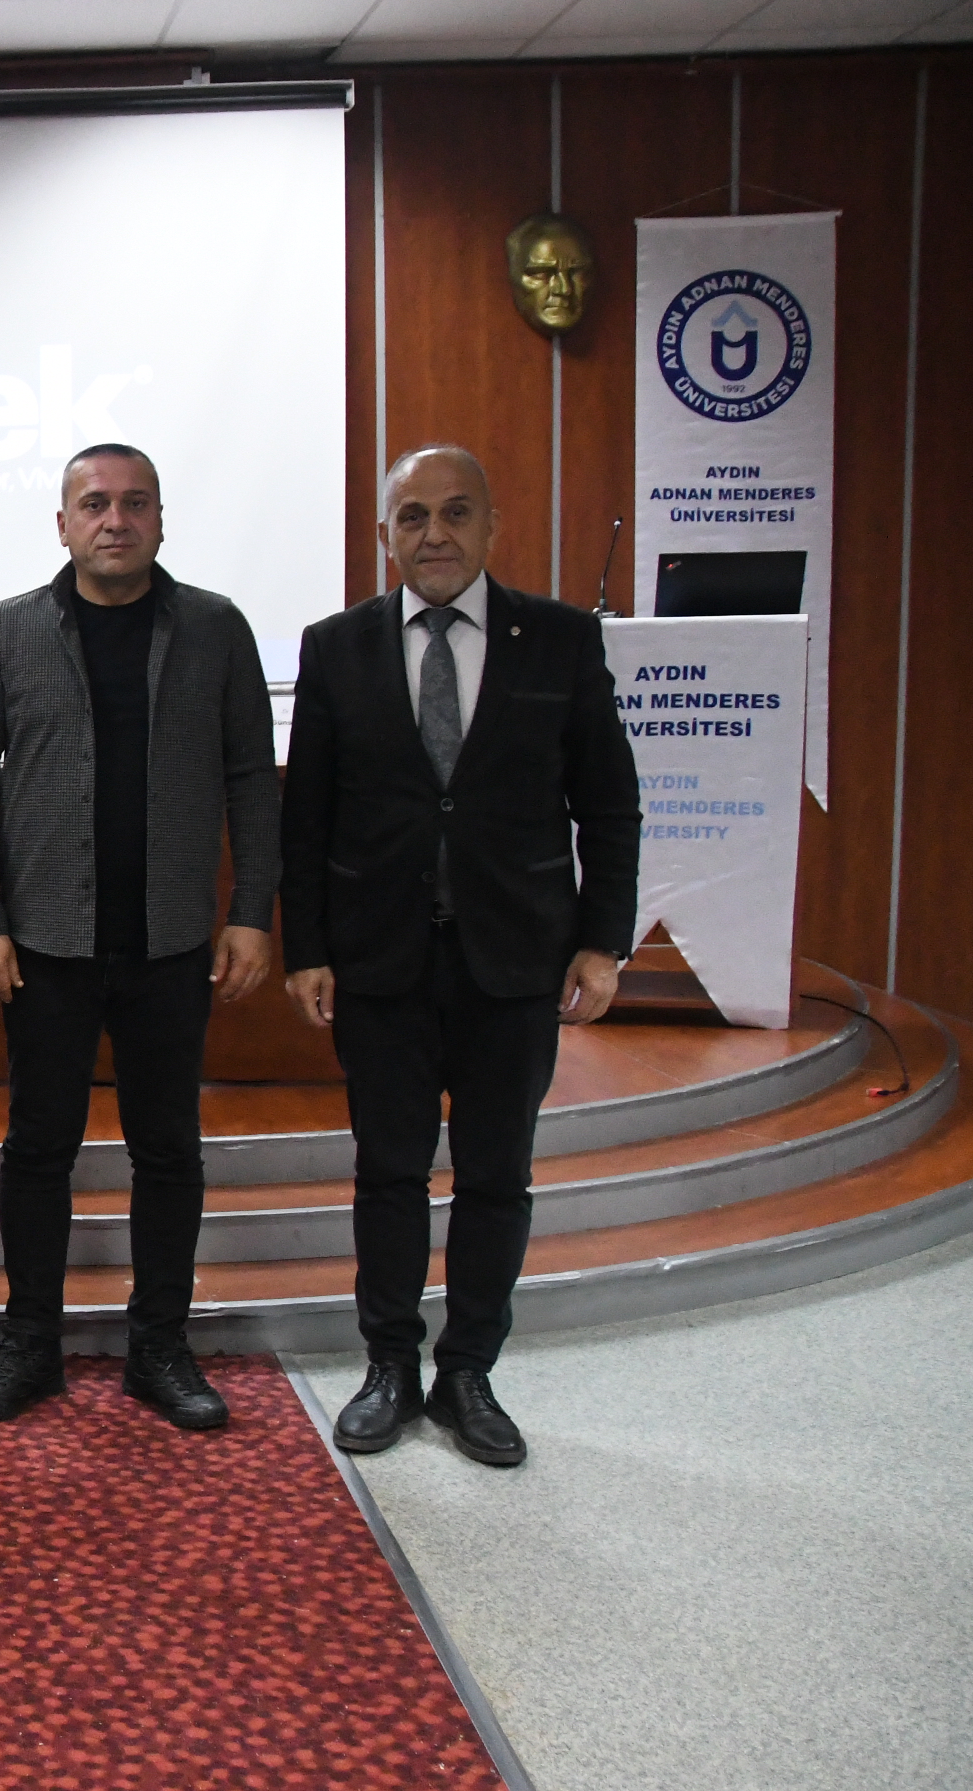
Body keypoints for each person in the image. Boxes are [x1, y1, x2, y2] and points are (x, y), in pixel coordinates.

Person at [281, 444, 640, 1468]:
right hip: (379, 961)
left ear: (491, 526)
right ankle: (389, 1365)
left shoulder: (560, 640)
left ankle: (470, 1370)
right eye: (412, 516)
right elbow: (306, 818)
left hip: (516, 960)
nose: (433, 534)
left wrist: (602, 943)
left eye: (454, 512)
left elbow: (608, 804)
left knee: (496, 1176)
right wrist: (308, 947)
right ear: (383, 534)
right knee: (388, 1172)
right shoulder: (336, 646)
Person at [0, 443, 280, 1433]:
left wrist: (251, 911)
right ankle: (30, 1343)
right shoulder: (7, 632)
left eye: (136, 503)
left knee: (168, 1149)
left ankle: (159, 1346)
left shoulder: (216, 627)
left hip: (171, 940)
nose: (115, 520)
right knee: (37, 1149)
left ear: (161, 519)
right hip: (44, 943)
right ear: (63, 524)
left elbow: (251, 776)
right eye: (94, 504)